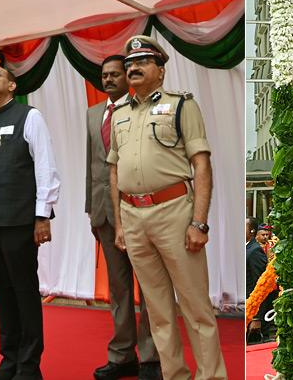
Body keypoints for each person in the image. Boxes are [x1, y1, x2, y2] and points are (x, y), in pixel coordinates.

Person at [108, 34, 225, 380]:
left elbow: (200, 164)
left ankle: (211, 377)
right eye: (128, 64)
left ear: (160, 70)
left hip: (174, 211)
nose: (133, 68)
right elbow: (115, 169)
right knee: (157, 310)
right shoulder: (119, 114)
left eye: (142, 62)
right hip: (132, 215)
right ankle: (174, 375)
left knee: (195, 306)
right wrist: (119, 223)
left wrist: (199, 223)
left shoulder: (182, 105)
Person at [0, 65, 60, 380]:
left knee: (23, 290)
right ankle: (9, 361)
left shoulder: (28, 116)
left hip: (20, 219)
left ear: (11, 85)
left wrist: (43, 214)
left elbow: (45, 166)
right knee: (2, 293)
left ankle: (29, 366)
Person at [86, 56, 157, 380]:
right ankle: (122, 355)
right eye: (105, 75)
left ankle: (152, 358)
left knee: (150, 287)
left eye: (115, 74)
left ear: (127, 77)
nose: (110, 79)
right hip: (104, 214)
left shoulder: (142, 109)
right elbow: (93, 166)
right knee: (120, 290)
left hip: (140, 211)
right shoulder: (92, 114)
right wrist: (92, 211)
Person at [246, 217, 268, 344]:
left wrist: (257, 317)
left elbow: (260, 284)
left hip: (251, 309)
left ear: (251, 231)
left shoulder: (255, 251)